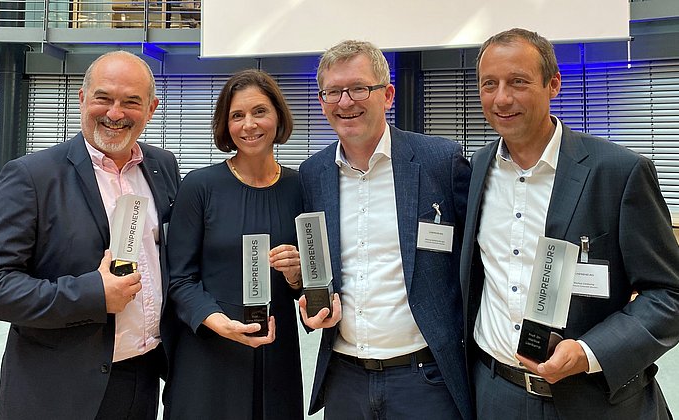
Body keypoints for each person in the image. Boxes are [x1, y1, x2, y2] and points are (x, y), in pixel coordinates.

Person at [461, 27, 679, 419]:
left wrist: (588, 352)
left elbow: (669, 295)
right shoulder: (475, 170)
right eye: (488, 84)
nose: (501, 98)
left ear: (554, 85)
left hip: (594, 399)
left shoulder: (618, 172)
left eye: (518, 82)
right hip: (495, 394)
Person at [0, 50, 181, 420]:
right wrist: (92, 294)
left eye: (131, 102)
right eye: (103, 98)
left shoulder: (163, 166)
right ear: (82, 99)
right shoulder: (32, 177)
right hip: (58, 390)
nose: (115, 113)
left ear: (151, 109)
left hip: (144, 378)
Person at [298, 40, 473, 419]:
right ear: (322, 100)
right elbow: (313, 269)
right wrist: (309, 304)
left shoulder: (440, 161)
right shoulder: (313, 174)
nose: (346, 102)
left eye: (359, 88)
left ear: (388, 94)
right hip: (344, 380)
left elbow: (478, 257)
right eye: (333, 92)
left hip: (425, 379)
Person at [163, 69, 304, 420]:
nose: (249, 124)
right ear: (225, 125)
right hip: (209, 354)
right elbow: (179, 278)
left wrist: (296, 276)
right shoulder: (200, 187)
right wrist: (217, 321)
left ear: (278, 116)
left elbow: (310, 284)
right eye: (236, 115)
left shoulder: (301, 188)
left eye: (259, 111)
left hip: (276, 357)